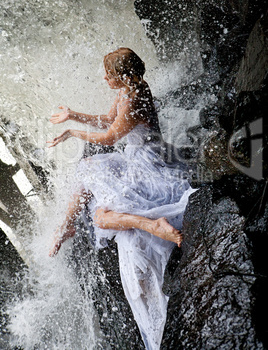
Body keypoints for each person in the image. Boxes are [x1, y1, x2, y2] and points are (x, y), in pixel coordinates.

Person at [47, 48, 195, 350]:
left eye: (109, 74)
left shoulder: (134, 97)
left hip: (149, 167)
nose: (104, 78)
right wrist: (72, 114)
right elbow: (108, 121)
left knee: (101, 216)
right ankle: (66, 226)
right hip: (137, 157)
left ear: (123, 76)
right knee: (88, 168)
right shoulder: (131, 89)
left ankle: (153, 225)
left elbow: (109, 138)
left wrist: (73, 132)